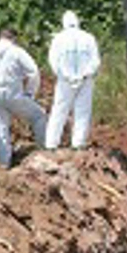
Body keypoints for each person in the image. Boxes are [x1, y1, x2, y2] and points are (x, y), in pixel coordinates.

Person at [0, 28, 47, 167]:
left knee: (0, 128)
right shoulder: (17, 52)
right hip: (13, 94)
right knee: (39, 116)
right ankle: (43, 151)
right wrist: (30, 93)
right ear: (13, 38)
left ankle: (4, 163)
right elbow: (33, 72)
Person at [45, 11, 101, 150]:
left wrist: (64, 75)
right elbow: (95, 60)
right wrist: (86, 74)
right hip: (85, 80)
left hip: (65, 80)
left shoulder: (58, 38)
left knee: (59, 110)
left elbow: (53, 60)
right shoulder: (88, 38)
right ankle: (78, 143)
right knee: (82, 110)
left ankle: (51, 144)